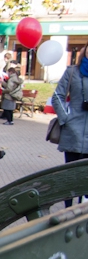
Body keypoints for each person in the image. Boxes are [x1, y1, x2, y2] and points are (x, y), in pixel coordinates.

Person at [52, 43, 88, 207]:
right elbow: (57, 96)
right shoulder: (72, 71)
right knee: (70, 174)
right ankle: (68, 209)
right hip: (73, 130)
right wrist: (66, 118)